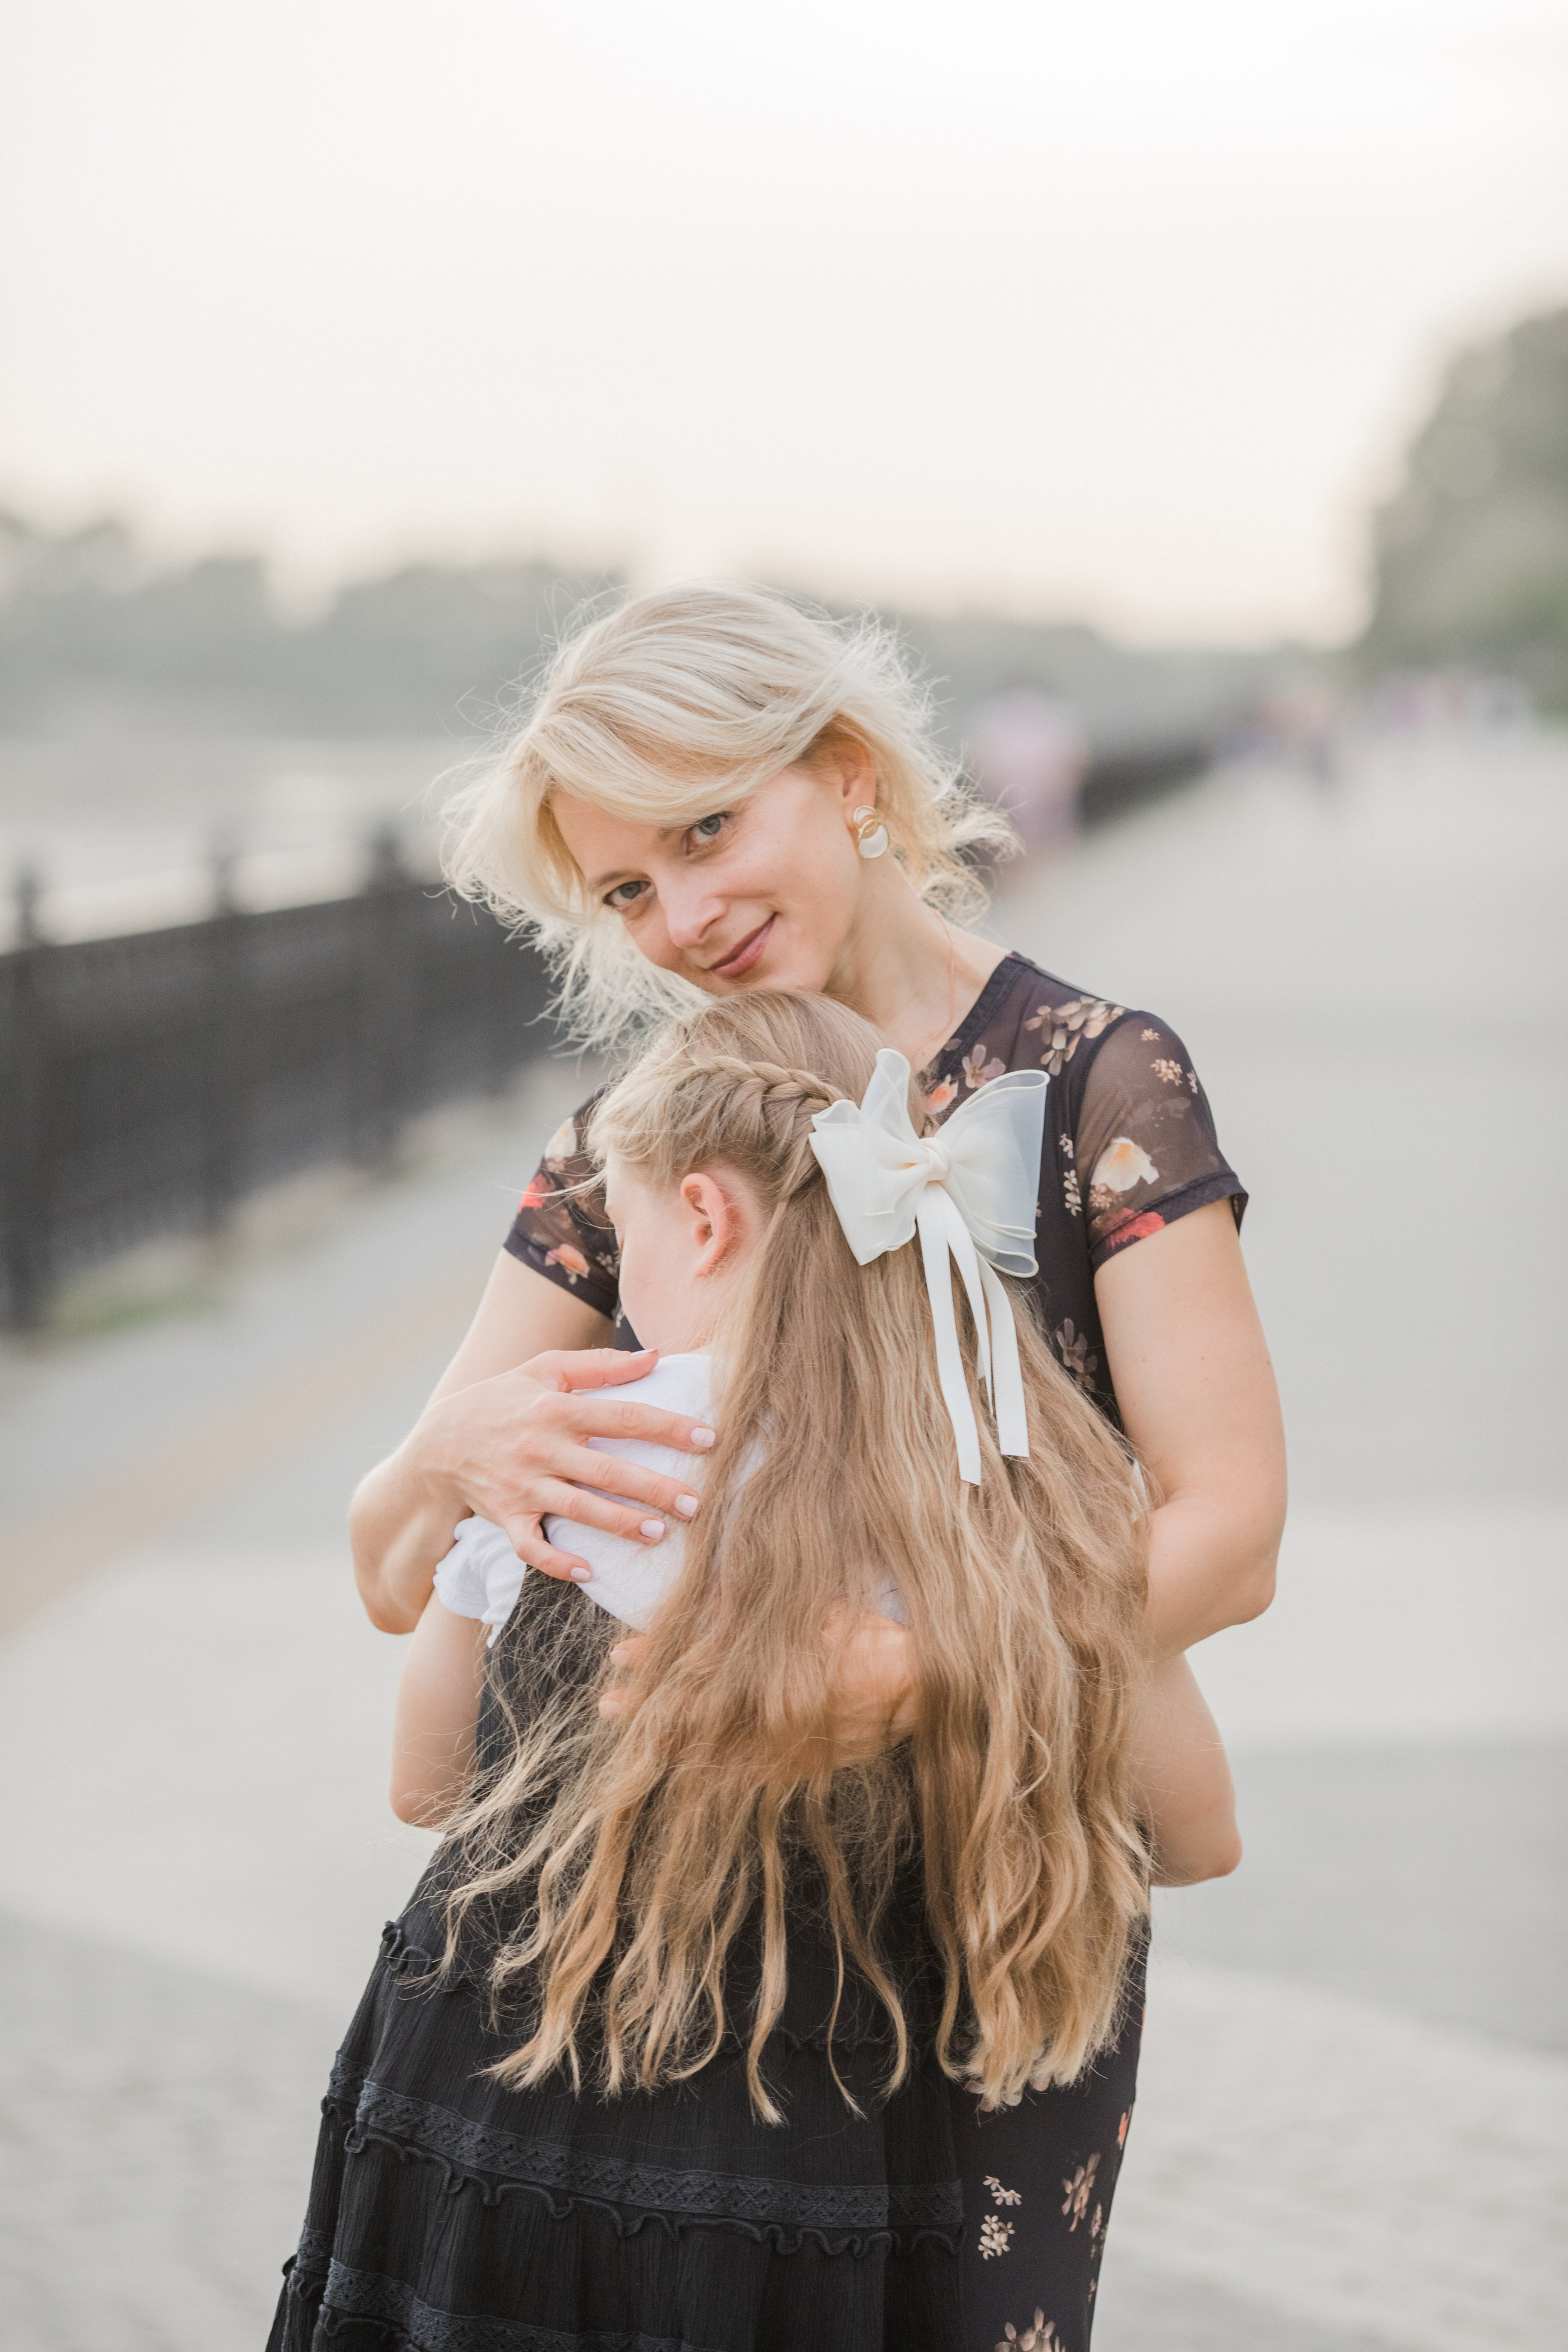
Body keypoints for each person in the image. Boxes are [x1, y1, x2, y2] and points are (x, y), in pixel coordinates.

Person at [345, 584, 1287, 2346]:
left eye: (707, 830)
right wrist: (448, 1453)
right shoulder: (640, 1145)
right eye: (628, 889)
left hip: (992, 1914)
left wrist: (910, 1672)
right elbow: (396, 1567)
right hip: (675, 1971)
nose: (682, 916)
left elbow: (1229, 1540)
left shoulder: (1092, 1084)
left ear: (847, 773)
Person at [274, 990, 1242, 2352]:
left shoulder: (566, 1451)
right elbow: (1197, 1835)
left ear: (704, 1217)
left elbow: (425, 1782)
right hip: (819, 2160)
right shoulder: (1020, 1490)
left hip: (491, 2110)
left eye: (624, 1239)